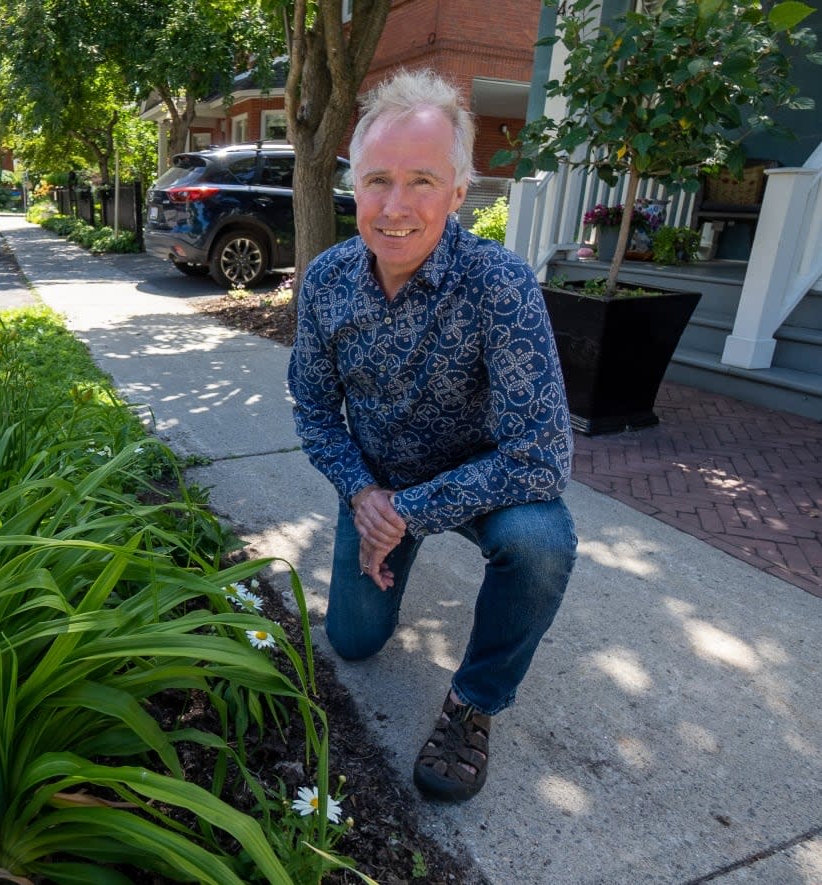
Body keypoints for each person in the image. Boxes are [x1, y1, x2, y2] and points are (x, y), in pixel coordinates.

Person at [286, 68, 576, 802]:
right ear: (353, 182)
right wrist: (364, 496)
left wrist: (409, 512)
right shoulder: (324, 282)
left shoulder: (500, 285)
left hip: (481, 484)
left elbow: (540, 455)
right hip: (377, 484)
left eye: (422, 180)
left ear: (458, 191)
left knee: (541, 540)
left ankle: (473, 704)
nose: (395, 206)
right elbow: (315, 413)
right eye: (377, 179)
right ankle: (384, 547)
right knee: (352, 643)